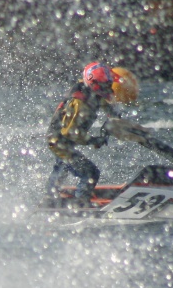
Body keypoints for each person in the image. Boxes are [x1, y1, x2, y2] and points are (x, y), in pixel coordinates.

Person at [45, 62, 135, 206]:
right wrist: (94, 141)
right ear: (93, 84)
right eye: (104, 86)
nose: (107, 89)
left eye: (108, 84)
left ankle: (51, 197)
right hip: (60, 142)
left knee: (62, 167)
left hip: (61, 140)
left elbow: (104, 102)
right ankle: (80, 204)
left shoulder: (91, 89)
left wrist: (114, 115)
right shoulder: (80, 103)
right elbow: (71, 133)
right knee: (90, 173)